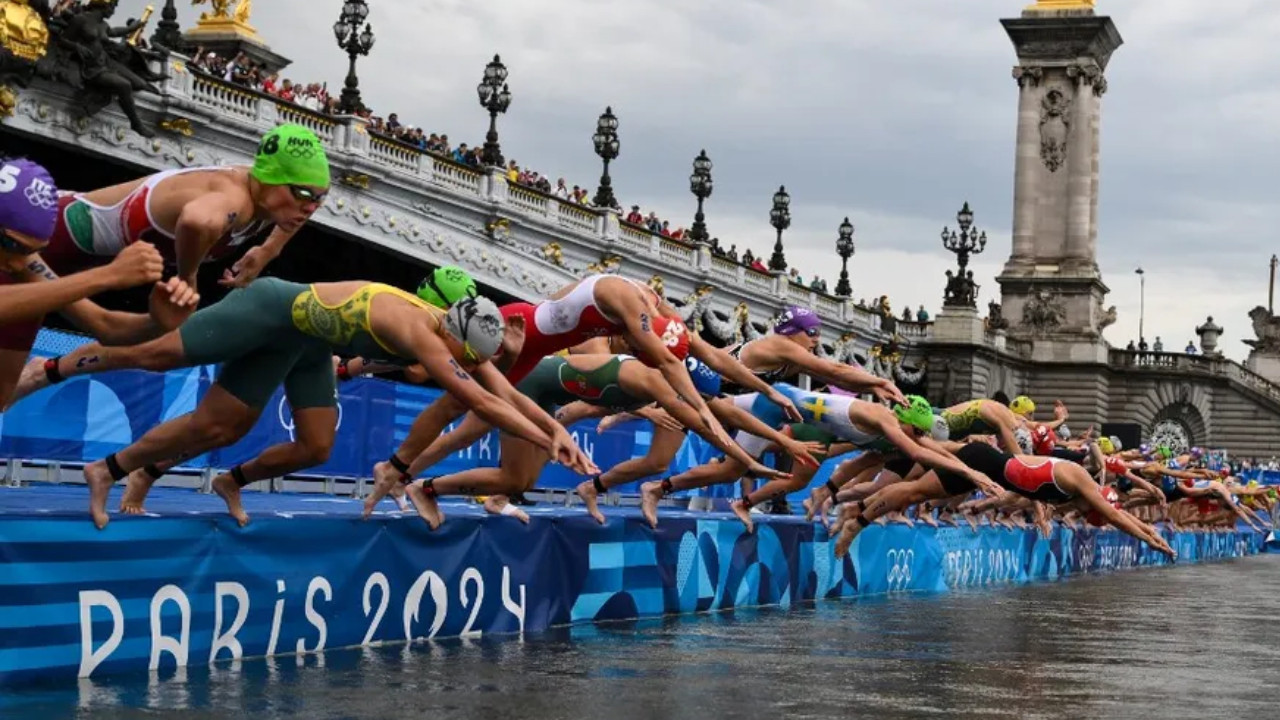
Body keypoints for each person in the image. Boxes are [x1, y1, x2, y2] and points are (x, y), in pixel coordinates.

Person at [18, 278, 595, 528]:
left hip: (306, 342)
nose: (470, 365)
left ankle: (183, 477)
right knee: (157, 357)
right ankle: (48, 369)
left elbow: (502, 391)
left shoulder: (454, 331)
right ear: (456, 336)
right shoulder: (420, 331)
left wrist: (556, 432)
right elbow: (479, 400)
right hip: (269, 311)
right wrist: (548, 439)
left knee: (313, 446)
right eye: (469, 358)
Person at [359, 273, 805, 515]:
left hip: (532, 353)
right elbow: (687, 393)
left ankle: (406, 474)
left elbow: (711, 359)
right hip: (516, 335)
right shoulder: (635, 326)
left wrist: (768, 389)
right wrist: (734, 449)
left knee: (474, 425)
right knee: (443, 389)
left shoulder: (658, 310)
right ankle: (394, 460)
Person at [403, 352, 821, 529]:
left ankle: (413, 481)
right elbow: (708, 426)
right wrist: (753, 462)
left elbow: (722, 414)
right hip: (528, 386)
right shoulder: (652, 383)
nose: (700, 403)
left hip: (548, 395)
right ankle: (416, 484)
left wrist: (778, 446)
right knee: (489, 454)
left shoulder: (665, 382)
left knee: (514, 471)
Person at [0, 158, 199, 407]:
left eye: (33, 251)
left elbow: (106, 326)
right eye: (13, 245)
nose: (17, 264)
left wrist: (157, 322)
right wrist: (107, 275)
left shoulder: (23, 260)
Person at [833, 441, 1176, 560]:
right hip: (983, 462)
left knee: (914, 487)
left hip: (988, 463)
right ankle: (855, 520)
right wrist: (1151, 540)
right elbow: (1115, 517)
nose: (1084, 514)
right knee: (913, 490)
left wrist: (1151, 533)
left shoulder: (1084, 491)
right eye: (1089, 513)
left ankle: (855, 512)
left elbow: (1118, 514)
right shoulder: (1082, 483)